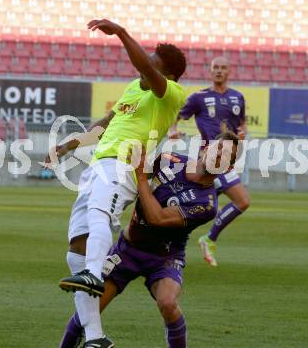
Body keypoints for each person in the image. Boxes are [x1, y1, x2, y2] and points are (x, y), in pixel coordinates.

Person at [46, 19, 187, 348]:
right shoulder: (132, 89)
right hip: (98, 164)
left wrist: (122, 33)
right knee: (75, 250)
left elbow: (143, 66)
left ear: (167, 75)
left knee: (100, 216)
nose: (144, 69)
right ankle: (96, 337)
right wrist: (69, 145)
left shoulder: (172, 94)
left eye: (152, 66)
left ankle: (95, 274)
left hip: (125, 164)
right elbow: (107, 122)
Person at [59, 132, 240, 348]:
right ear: (205, 148)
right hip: (127, 250)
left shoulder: (207, 204)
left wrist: (142, 177)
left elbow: (157, 218)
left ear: (228, 168)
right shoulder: (169, 160)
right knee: (88, 311)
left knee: (168, 302)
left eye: (227, 155)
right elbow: (131, 181)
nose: (219, 154)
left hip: (165, 257)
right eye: (218, 148)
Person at [170, 56, 250, 267]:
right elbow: (176, 116)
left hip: (227, 158)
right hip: (210, 158)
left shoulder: (237, 97)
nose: (219, 71)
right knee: (242, 201)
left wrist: (242, 132)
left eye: (223, 68)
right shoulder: (199, 97)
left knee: (195, 202)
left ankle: (172, 238)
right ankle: (208, 239)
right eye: (216, 67)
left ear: (229, 71)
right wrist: (172, 130)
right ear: (210, 70)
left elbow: (242, 123)